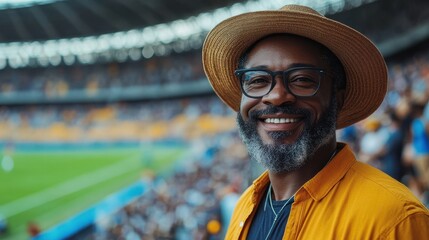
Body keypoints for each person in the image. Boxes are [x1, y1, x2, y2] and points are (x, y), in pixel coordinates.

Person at [202, 4, 429, 239]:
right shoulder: (243, 208)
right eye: (257, 80)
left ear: (337, 99)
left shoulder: (392, 220)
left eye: (301, 79)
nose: (276, 96)